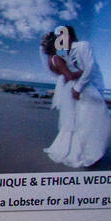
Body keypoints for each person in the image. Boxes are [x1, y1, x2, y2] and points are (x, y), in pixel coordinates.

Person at [46, 26, 110, 168]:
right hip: (77, 90)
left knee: (94, 120)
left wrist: (78, 87)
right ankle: (83, 153)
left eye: (61, 36)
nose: (59, 40)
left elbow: (90, 67)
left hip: (85, 88)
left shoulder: (82, 46)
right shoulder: (65, 54)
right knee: (81, 121)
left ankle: (92, 153)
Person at [40, 32, 79, 165]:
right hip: (69, 90)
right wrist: (84, 72)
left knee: (69, 120)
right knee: (72, 120)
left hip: (65, 89)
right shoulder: (56, 58)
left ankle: (66, 146)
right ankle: (68, 149)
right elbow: (69, 76)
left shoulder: (50, 59)